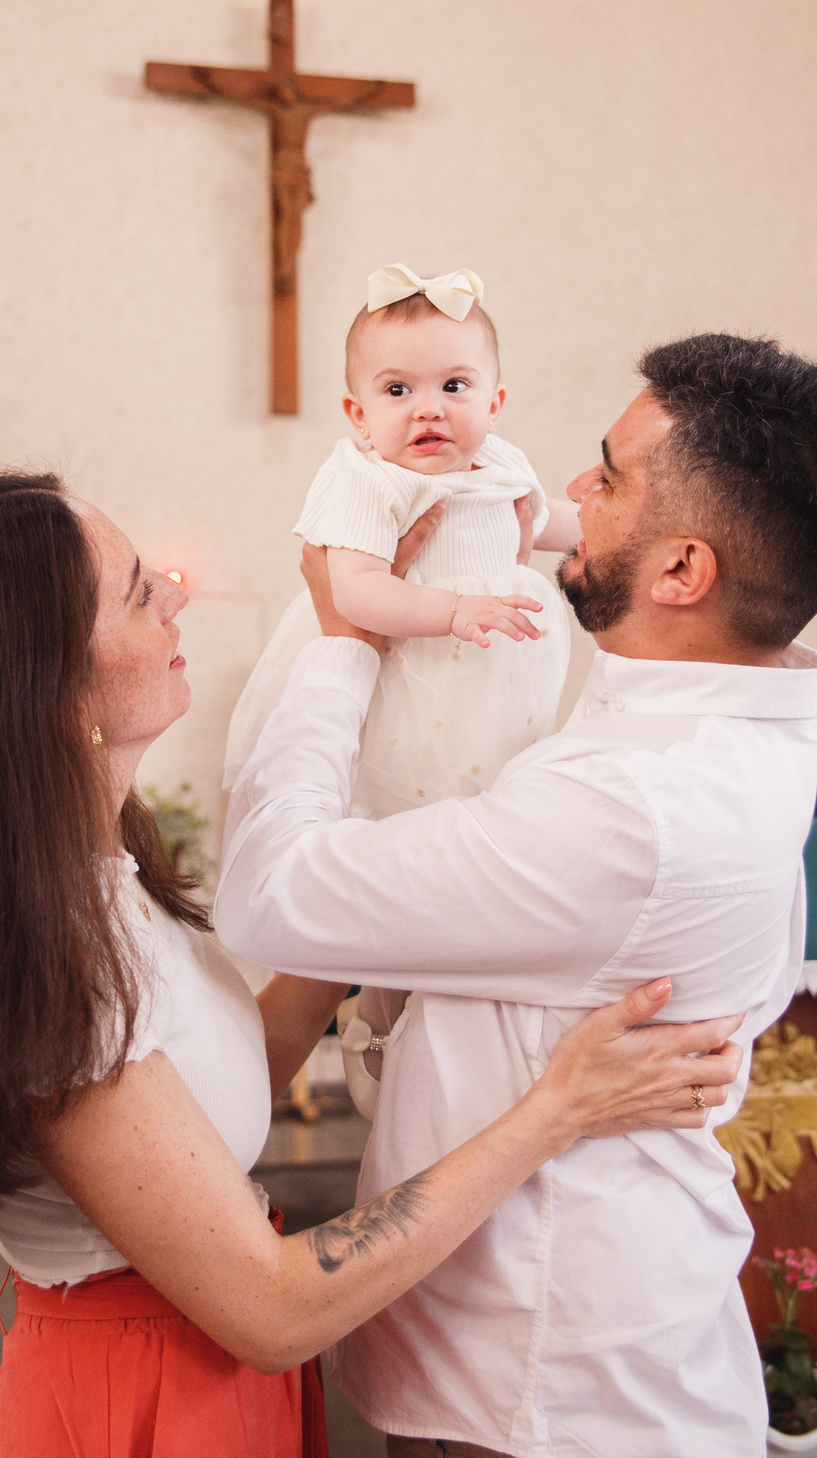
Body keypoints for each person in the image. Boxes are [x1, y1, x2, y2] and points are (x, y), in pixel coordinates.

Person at [0, 471, 743, 1458]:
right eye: (141, 591)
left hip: (194, 1371)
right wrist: (559, 1110)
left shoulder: (92, 876)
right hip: (141, 1400)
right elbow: (273, 1310)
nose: (177, 594)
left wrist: (383, 891)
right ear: (47, 685)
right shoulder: (54, 971)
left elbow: (209, 1088)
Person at [215, 332, 817, 1458]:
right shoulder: (732, 696)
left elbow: (271, 896)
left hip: (546, 1384)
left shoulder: (632, 804)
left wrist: (343, 642)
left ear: (684, 572)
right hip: (584, 1334)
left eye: (610, 476)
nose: (573, 489)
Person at [223, 265, 581, 1112]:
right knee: (393, 856)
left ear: (495, 402)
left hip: (488, 692)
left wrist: (622, 531)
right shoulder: (362, 478)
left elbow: (554, 526)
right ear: (357, 413)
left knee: (470, 865)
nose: (429, 408)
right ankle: (376, 1037)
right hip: (406, 687)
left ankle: (438, 1047)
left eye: (454, 384)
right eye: (398, 388)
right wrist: (454, 610)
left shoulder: (502, 463)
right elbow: (355, 594)